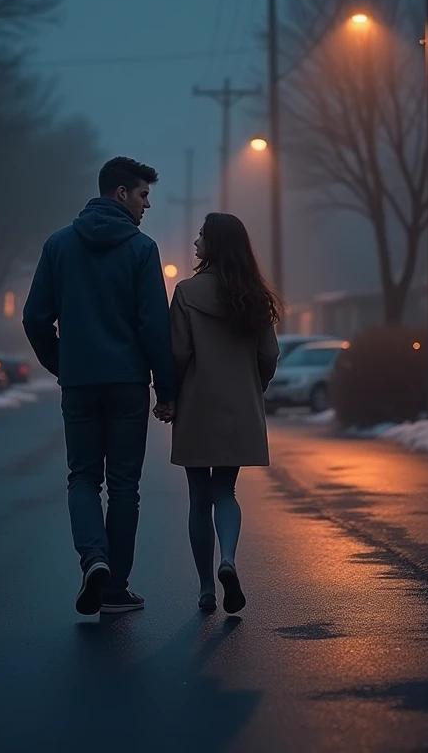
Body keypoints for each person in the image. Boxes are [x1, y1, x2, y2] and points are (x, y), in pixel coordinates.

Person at [23, 157, 176, 616]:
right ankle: (116, 586)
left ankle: (95, 560)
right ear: (121, 194)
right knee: (125, 485)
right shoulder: (142, 250)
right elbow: (154, 326)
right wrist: (165, 388)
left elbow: (34, 318)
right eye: (144, 195)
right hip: (128, 384)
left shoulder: (59, 246)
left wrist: (62, 364)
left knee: (83, 478)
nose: (148, 205)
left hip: (81, 384)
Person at [157, 213, 280, 614]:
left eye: (201, 237)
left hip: (197, 404)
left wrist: (168, 395)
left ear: (215, 244)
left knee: (199, 498)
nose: (195, 244)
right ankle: (228, 559)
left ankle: (206, 588)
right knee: (225, 491)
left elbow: (177, 353)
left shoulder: (187, 292)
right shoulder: (255, 297)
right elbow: (269, 354)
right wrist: (253, 387)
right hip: (239, 404)